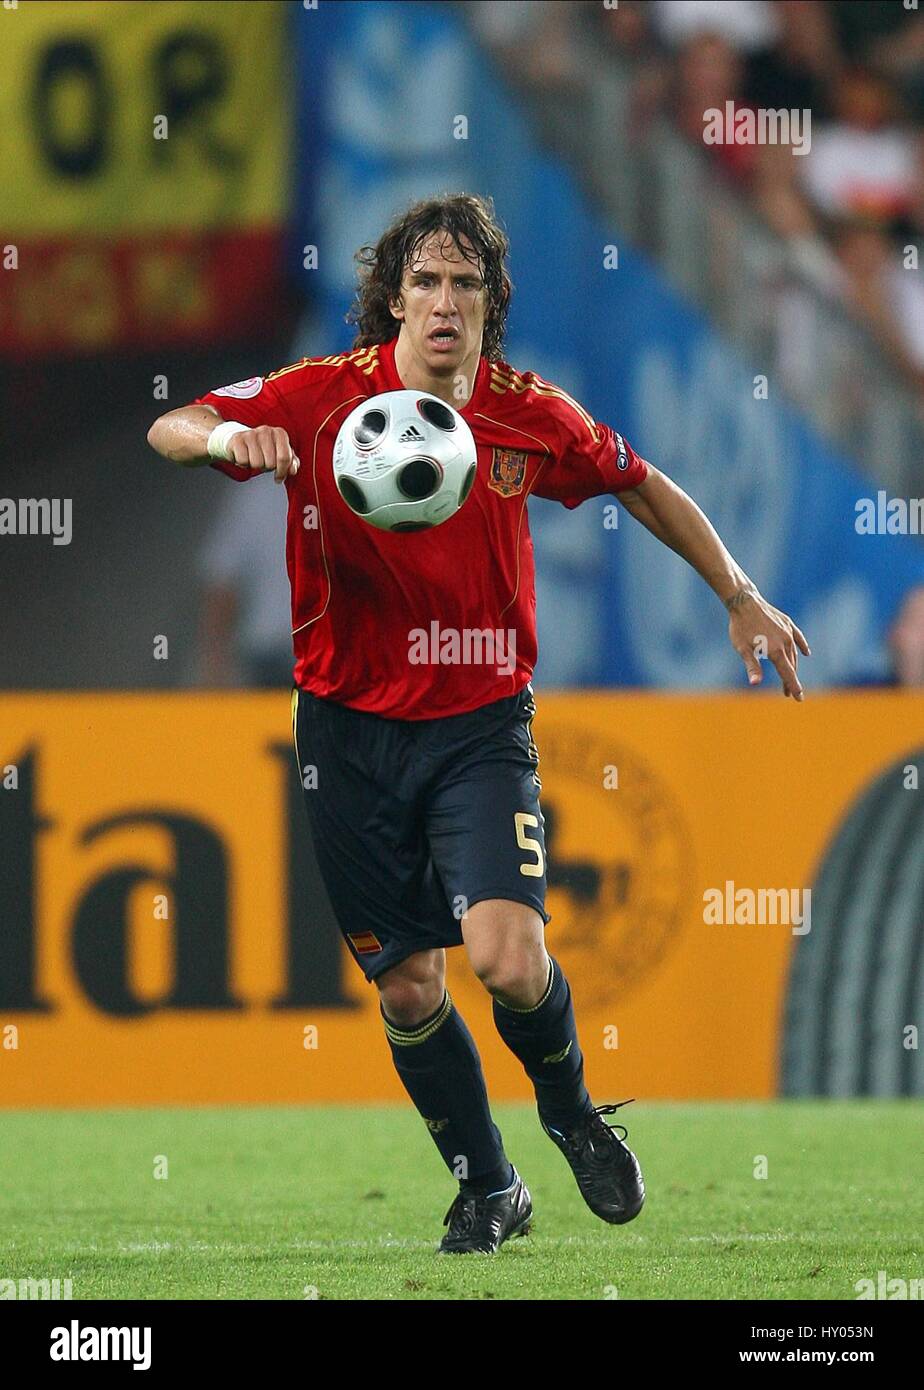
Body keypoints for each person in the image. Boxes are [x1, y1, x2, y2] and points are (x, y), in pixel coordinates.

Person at [147, 192, 809, 1254]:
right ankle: (490, 1183)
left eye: (465, 284)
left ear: (492, 304)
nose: (444, 303)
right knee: (409, 987)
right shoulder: (323, 398)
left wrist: (736, 589)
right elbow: (168, 425)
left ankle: (573, 1115)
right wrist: (229, 432)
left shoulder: (526, 412)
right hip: (345, 735)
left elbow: (641, 483)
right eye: (425, 283)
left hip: (478, 724)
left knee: (507, 959)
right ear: (394, 299)